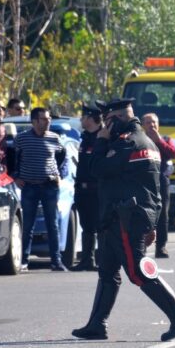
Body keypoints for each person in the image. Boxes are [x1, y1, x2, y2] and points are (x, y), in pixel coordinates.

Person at [72, 98, 175, 342]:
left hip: (127, 218)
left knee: (137, 271)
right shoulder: (145, 141)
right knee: (107, 271)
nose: (104, 128)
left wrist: (100, 141)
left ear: (117, 119)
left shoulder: (127, 143)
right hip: (118, 216)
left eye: (107, 122)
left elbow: (96, 169)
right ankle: (97, 324)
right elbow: (154, 189)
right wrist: (153, 221)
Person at [13, 107, 67, 271]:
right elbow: (12, 159)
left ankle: (56, 261)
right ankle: (23, 261)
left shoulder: (55, 138)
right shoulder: (22, 139)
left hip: (49, 186)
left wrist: (60, 175)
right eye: (44, 119)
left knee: (53, 225)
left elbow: (63, 158)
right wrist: (16, 176)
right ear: (34, 121)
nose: (48, 121)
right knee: (28, 225)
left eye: (49, 118)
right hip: (29, 187)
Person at [70, 102, 104, 272]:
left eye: (83, 117)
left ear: (91, 118)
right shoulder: (85, 137)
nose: (81, 119)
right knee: (87, 226)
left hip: (98, 190)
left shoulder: (104, 137)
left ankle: (102, 260)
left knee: (101, 226)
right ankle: (87, 260)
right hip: (83, 190)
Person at [143, 112, 175, 258]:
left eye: (154, 122)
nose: (152, 125)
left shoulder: (165, 139)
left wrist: (159, 141)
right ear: (143, 125)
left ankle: (161, 247)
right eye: (148, 123)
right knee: (144, 215)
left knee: (163, 215)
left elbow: (173, 154)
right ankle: (142, 247)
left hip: (161, 182)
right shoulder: (140, 140)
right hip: (144, 182)